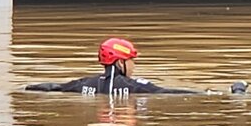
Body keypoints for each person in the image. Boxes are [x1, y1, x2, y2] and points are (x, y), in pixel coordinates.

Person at [25, 38, 199, 95]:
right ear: (120, 62)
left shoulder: (84, 84)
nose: (134, 66)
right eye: (131, 60)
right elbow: (166, 93)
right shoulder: (134, 86)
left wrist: (24, 88)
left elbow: (54, 87)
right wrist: (206, 94)